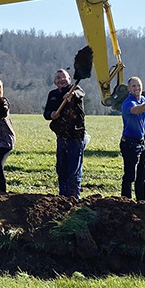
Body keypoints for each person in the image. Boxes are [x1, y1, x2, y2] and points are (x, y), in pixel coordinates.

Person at [43, 69, 85, 197]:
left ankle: (74, 198)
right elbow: (46, 114)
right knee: (61, 169)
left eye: (64, 77)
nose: (61, 80)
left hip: (76, 136)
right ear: (55, 82)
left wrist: (71, 96)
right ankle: (62, 197)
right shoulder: (52, 95)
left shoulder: (76, 90)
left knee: (74, 171)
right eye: (58, 78)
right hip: (61, 136)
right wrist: (52, 114)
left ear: (69, 79)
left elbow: (79, 93)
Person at [119, 76, 145, 201]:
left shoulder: (142, 99)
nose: (137, 88)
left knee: (142, 175)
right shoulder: (128, 103)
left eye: (139, 85)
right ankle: (126, 201)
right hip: (129, 143)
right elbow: (136, 110)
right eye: (134, 86)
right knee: (130, 175)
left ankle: (142, 201)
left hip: (141, 142)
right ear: (129, 89)